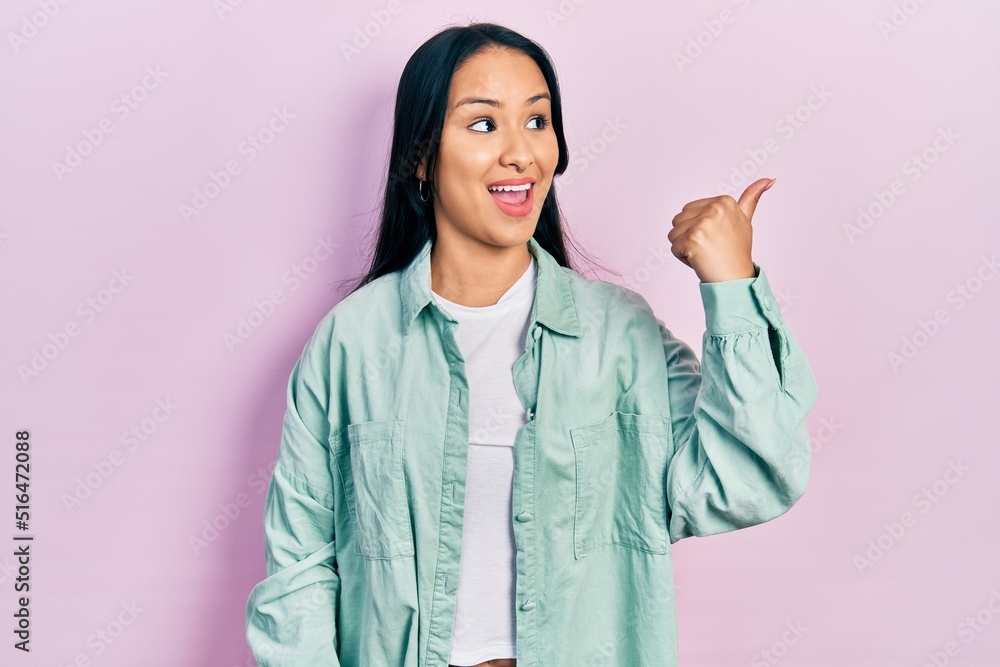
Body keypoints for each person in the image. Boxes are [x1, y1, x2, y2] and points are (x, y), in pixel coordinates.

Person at [245, 21, 819, 667]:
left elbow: (756, 475)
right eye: (484, 124)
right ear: (421, 156)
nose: (520, 153)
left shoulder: (621, 338)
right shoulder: (352, 344)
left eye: (538, 121)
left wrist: (732, 285)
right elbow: (298, 573)